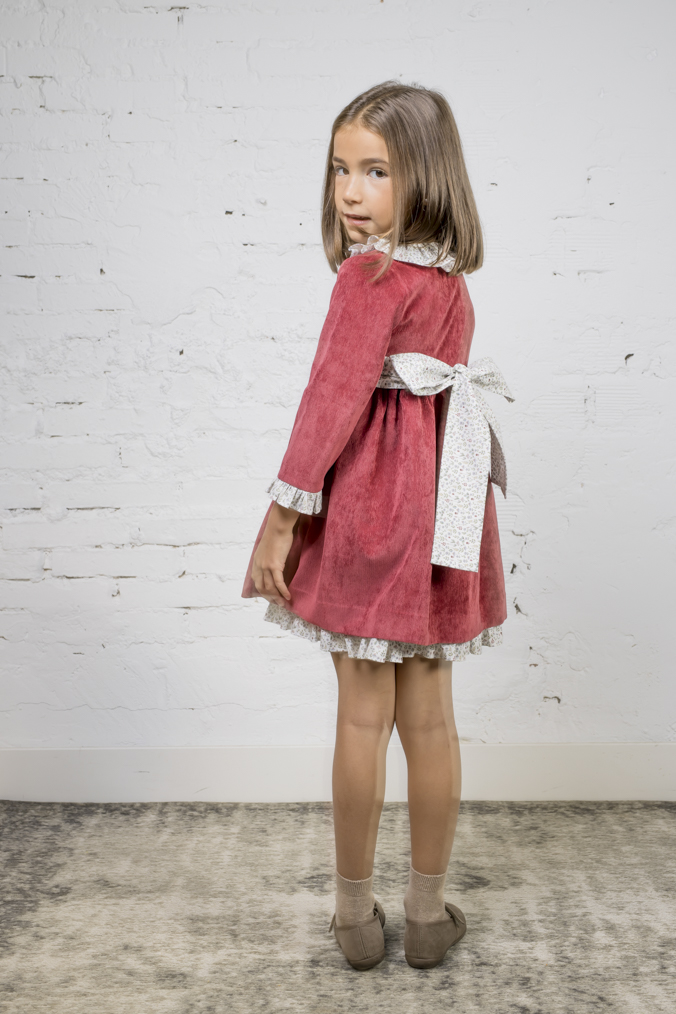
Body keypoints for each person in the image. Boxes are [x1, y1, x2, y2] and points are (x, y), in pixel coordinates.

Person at [241, 81, 513, 971]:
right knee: (430, 719)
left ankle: (355, 918)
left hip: (372, 510)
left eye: (375, 171)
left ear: (425, 175)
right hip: (442, 509)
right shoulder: (450, 281)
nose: (350, 193)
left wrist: (281, 519)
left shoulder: (369, 277)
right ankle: (427, 917)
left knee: (363, 718)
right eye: (339, 170)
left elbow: (330, 402)